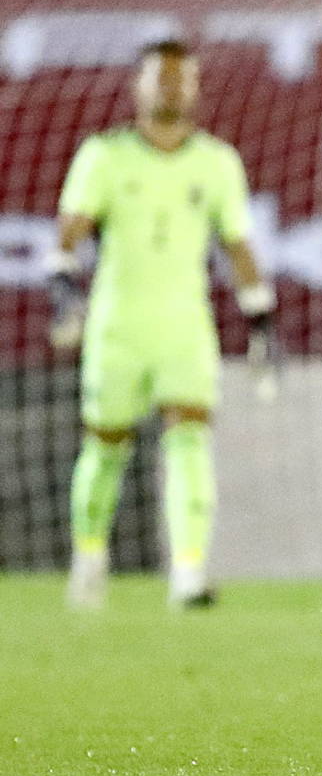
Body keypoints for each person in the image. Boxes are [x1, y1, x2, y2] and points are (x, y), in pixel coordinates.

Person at [52, 39, 275, 610]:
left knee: (190, 440)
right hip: (117, 327)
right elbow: (70, 232)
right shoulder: (103, 156)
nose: (172, 87)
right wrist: (63, 290)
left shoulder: (217, 162)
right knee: (105, 446)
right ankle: (89, 554)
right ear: (139, 85)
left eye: (182, 78)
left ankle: (189, 573)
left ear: (196, 88)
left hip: (184, 326)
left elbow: (237, 244)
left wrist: (261, 320)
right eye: (161, 77)